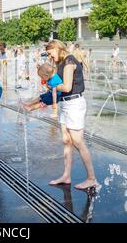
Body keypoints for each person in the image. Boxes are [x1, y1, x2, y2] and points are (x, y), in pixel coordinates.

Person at [45, 40, 97, 190]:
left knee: (78, 142)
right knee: (67, 141)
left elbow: (67, 87)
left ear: (56, 48)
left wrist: (51, 84)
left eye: (50, 53)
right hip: (66, 104)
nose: (50, 57)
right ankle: (66, 175)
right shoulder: (62, 62)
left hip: (74, 104)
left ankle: (91, 178)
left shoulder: (69, 62)